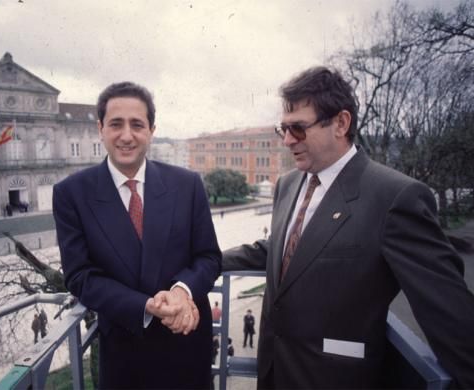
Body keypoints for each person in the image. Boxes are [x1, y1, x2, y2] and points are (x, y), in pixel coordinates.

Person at [222, 66, 474, 388]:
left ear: (341, 123)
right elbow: (285, 250)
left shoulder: (396, 197)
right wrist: (205, 261)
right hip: (274, 372)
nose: (286, 141)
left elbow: (449, 312)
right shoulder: (288, 184)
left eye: (298, 129)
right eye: (282, 129)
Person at [53, 81, 221, 389]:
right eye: (116, 124)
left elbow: (208, 257)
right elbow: (79, 276)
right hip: (125, 354)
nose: (127, 135)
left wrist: (182, 291)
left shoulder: (187, 184)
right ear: (100, 128)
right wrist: (145, 306)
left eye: (137, 125)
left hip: (186, 345)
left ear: (152, 130)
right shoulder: (71, 194)